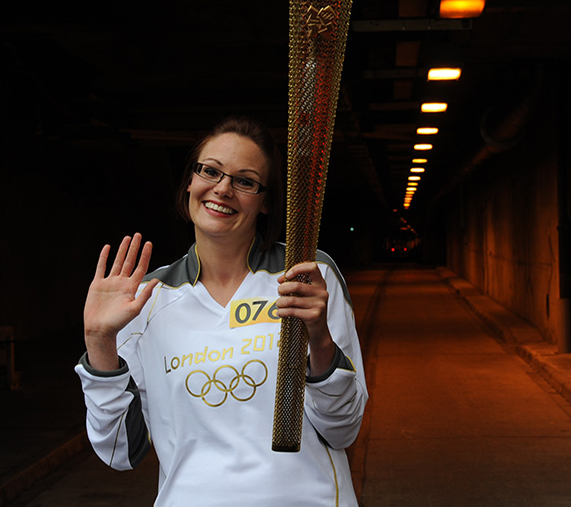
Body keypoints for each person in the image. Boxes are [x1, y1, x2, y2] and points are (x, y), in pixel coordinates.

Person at [75, 115, 367, 507]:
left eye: (245, 181)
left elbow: (344, 429)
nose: (223, 188)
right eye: (211, 171)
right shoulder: (146, 300)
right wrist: (99, 343)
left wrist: (321, 341)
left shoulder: (307, 276)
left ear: (265, 203)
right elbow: (121, 451)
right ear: (191, 183)